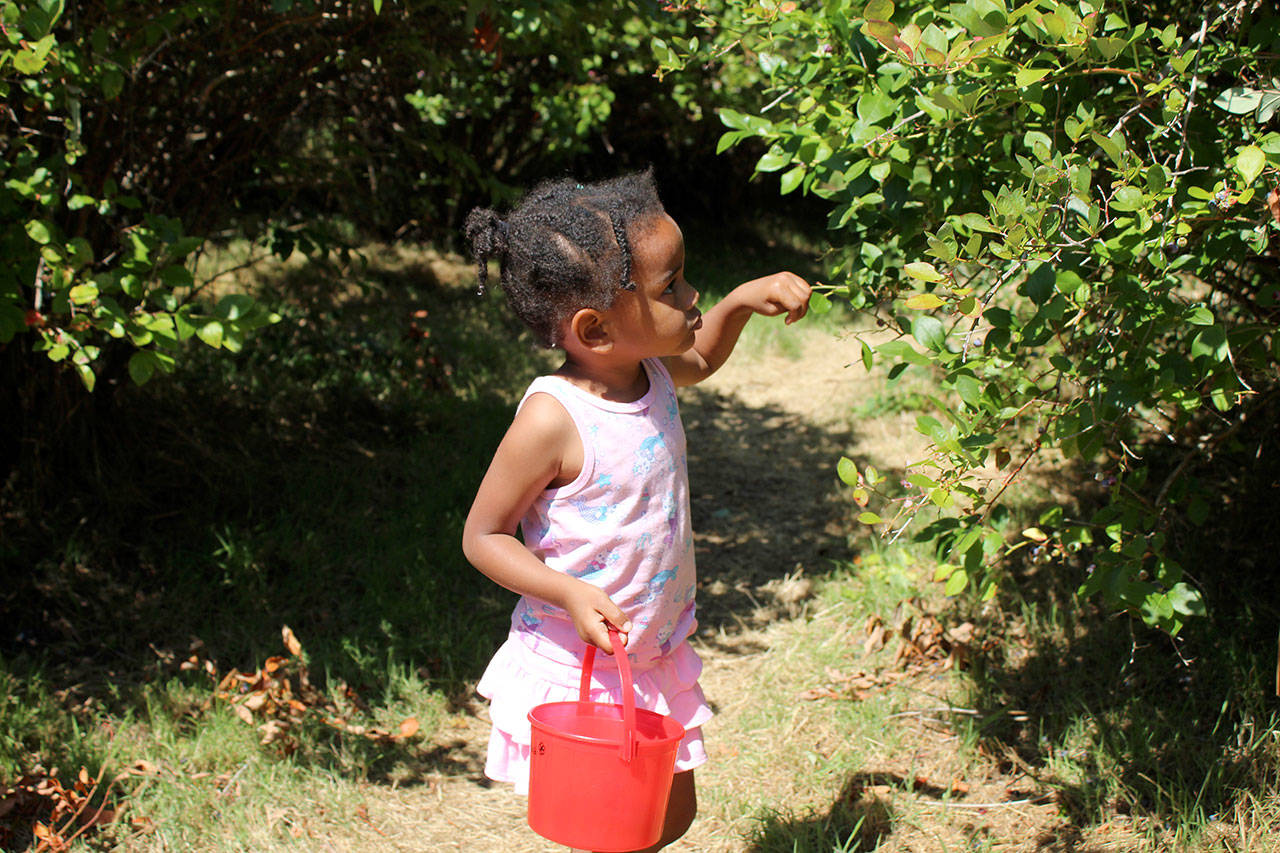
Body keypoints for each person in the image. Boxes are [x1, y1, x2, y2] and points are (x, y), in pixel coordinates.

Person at [461, 169, 811, 852]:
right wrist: (567, 589)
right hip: (580, 661)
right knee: (611, 826)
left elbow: (702, 357)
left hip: (649, 650)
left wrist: (741, 299)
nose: (691, 295)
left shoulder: (649, 370)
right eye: (670, 287)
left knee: (666, 818)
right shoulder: (552, 420)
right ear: (595, 328)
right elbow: (484, 534)